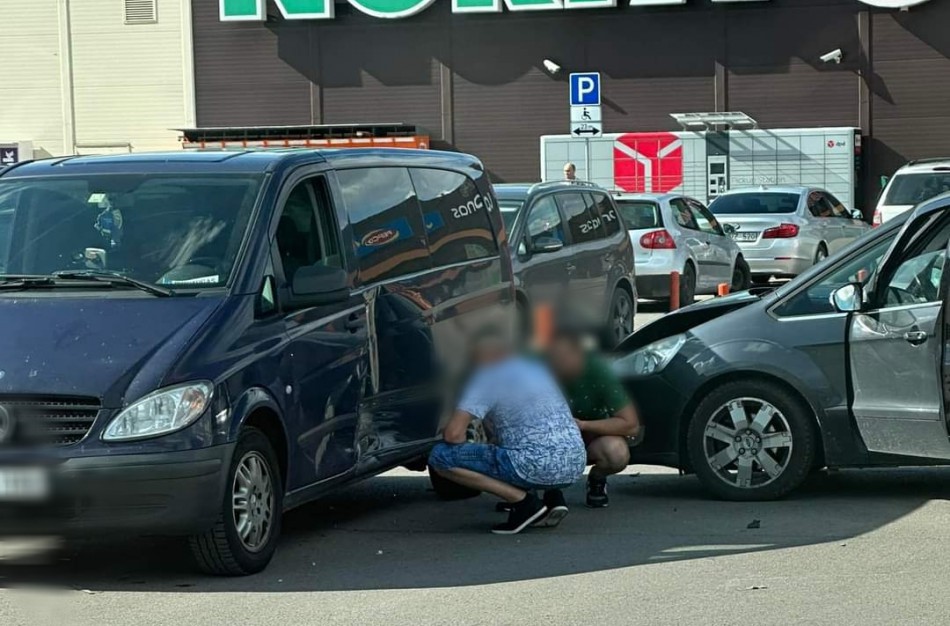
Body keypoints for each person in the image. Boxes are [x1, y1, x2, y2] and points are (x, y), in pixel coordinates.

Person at [428, 330, 587, 534]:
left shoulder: (487, 378)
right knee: (517, 441)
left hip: (533, 464)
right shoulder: (536, 371)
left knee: (441, 456)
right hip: (574, 463)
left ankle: (523, 503)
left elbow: (454, 435)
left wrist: (451, 428)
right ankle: (553, 497)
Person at [546, 328, 641, 508]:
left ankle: (597, 478)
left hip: (588, 436)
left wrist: (583, 425)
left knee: (616, 453)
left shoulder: (598, 370)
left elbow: (630, 425)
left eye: (564, 358)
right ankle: (528, 492)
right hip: (547, 438)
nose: (558, 364)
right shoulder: (538, 370)